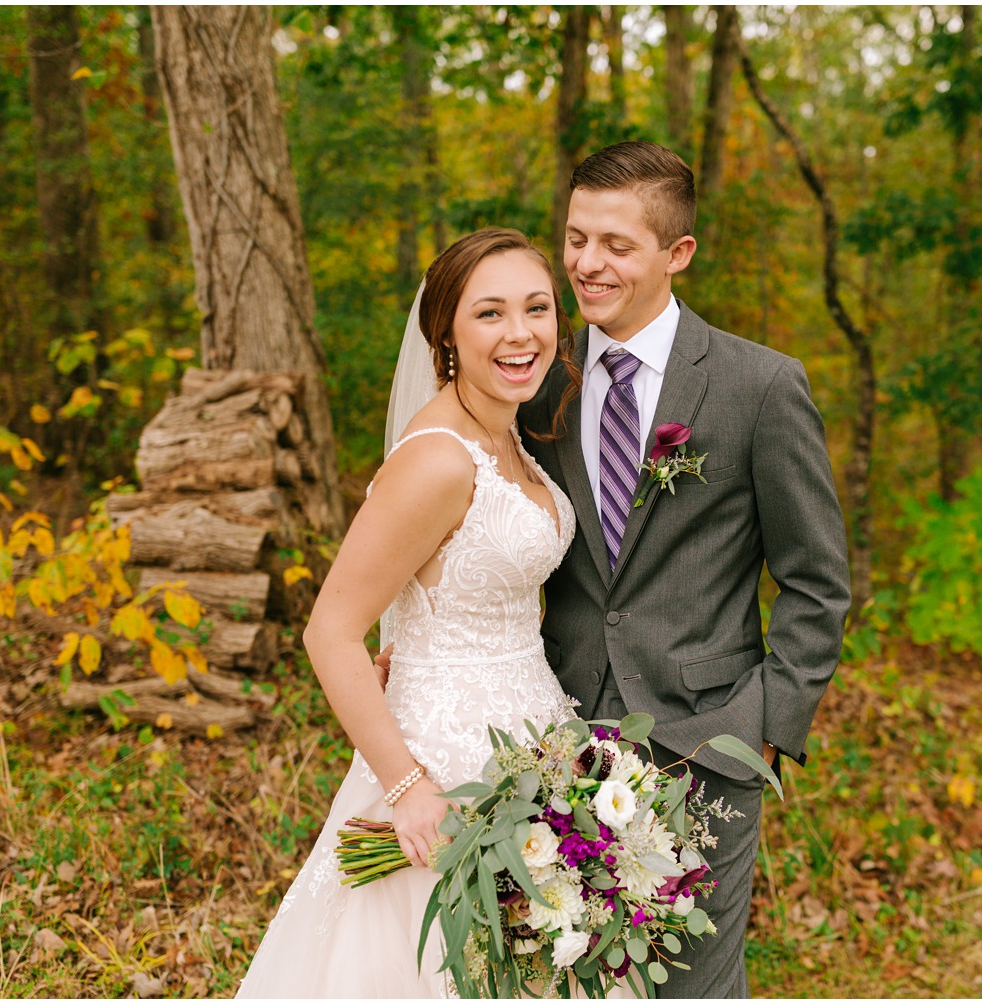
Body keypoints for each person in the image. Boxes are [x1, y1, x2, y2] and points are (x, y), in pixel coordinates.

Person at [520, 141, 851, 998]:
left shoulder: (759, 386)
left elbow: (818, 579)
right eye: (576, 238)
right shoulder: (537, 385)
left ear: (678, 253)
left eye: (616, 245)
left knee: (691, 985)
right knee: (566, 976)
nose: (587, 265)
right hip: (553, 738)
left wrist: (768, 725)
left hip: (707, 739)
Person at [237, 228, 588, 998]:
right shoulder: (438, 458)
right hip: (442, 768)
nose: (521, 333)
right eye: (490, 313)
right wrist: (408, 789)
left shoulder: (509, 437)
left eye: (536, 308)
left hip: (530, 743)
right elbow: (329, 629)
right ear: (447, 334)